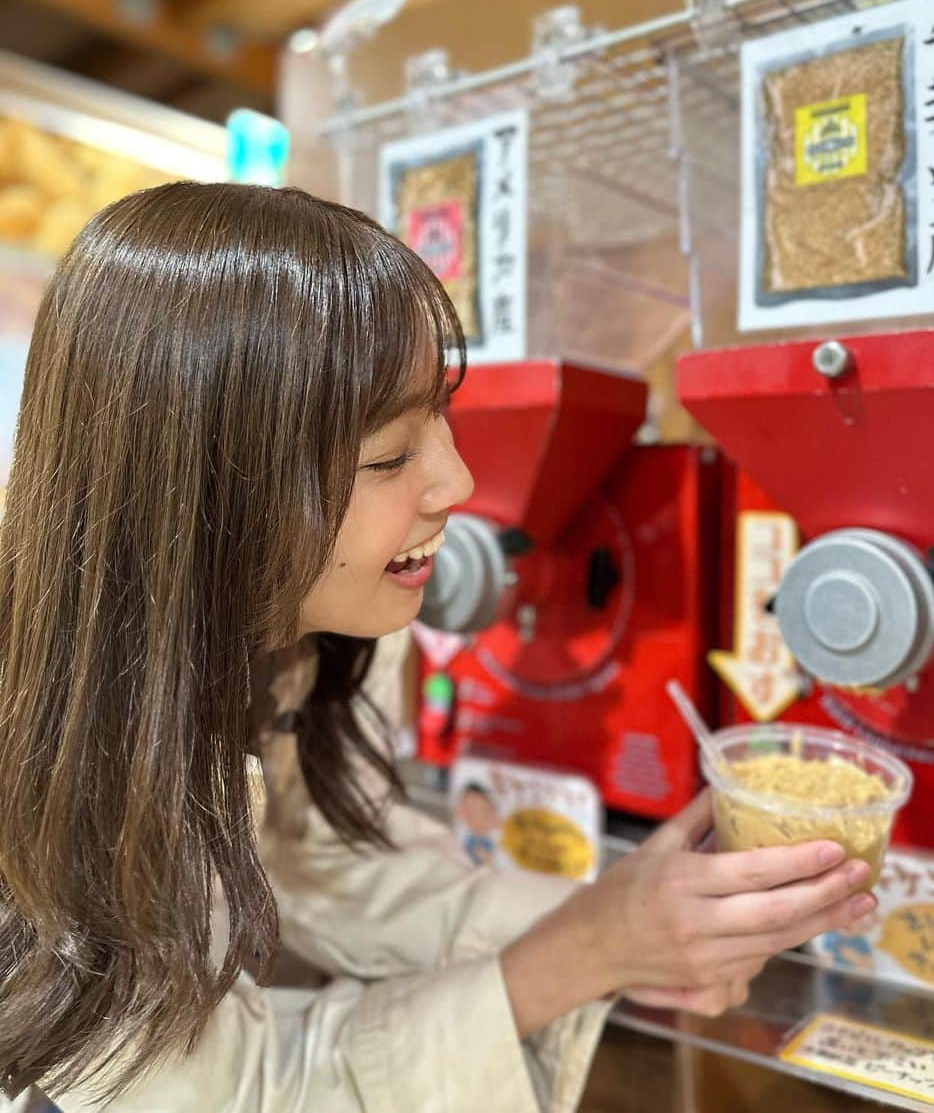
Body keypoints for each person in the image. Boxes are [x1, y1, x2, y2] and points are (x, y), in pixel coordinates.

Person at [0, 184, 876, 1112]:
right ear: (210, 485)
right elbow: (241, 1094)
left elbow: (316, 861)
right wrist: (582, 953)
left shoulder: (288, 638)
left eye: (443, 416)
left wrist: (635, 927)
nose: (455, 480)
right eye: (389, 456)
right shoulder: (50, 763)